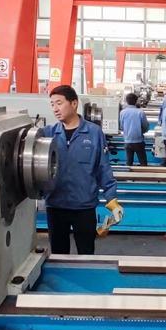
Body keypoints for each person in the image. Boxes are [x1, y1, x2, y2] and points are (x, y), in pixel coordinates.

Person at [42, 85, 123, 254]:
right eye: (52, 104)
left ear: (74, 103)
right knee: (58, 256)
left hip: (84, 207)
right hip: (56, 206)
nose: (55, 109)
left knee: (86, 254)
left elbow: (103, 169)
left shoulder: (94, 133)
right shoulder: (48, 134)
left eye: (59, 103)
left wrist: (112, 200)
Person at [119, 92, 149, 166]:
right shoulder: (140, 112)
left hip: (127, 141)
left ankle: (128, 173)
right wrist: (141, 131)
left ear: (126, 101)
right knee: (143, 163)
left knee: (129, 162)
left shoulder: (122, 112)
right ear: (136, 101)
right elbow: (145, 126)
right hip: (139, 141)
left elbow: (121, 126)